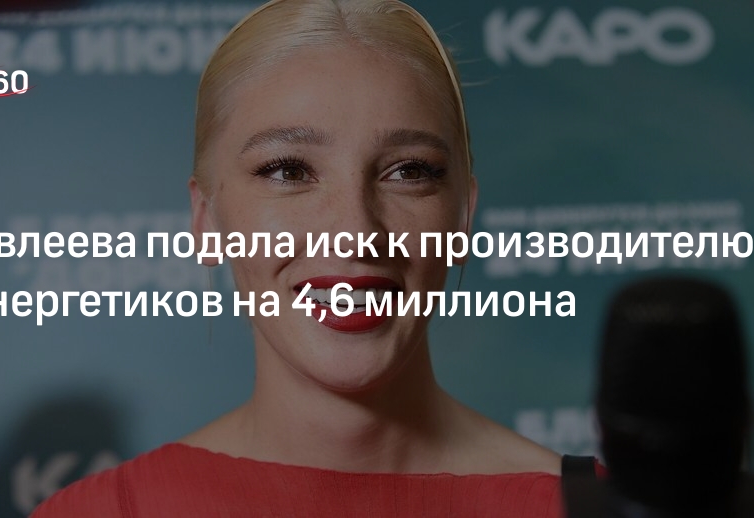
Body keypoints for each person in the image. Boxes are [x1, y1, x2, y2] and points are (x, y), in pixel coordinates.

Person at [32, 0, 563, 515]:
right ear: (206, 218)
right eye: (288, 171)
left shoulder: (588, 506)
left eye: (408, 172)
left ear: (463, 214)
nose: (355, 234)